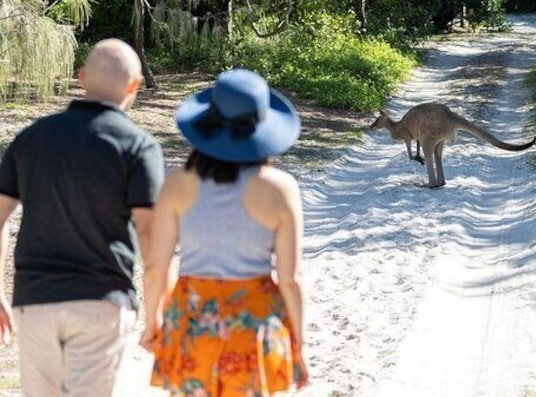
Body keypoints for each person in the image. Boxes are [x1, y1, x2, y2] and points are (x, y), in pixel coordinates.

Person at [0, 38, 165, 396]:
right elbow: (150, 233)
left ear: (81, 77)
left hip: (34, 301)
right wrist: (156, 314)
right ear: (134, 86)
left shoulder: (30, 139)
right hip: (102, 301)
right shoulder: (138, 146)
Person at [140, 68, 310, 395]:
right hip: (255, 322)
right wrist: (298, 343)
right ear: (261, 129)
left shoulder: (177, 184)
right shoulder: (280, 188)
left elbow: (156, 268)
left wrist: (153, 323)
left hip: (191, 319)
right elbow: (291, 278)